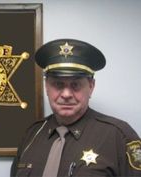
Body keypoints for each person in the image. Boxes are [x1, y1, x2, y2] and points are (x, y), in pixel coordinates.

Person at [11, 39, 141, 177]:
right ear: (46, 87)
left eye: (76, 85)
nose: (66, 94)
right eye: (58, 84)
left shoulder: (119, 136)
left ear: (91, 87)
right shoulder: (31, 135)